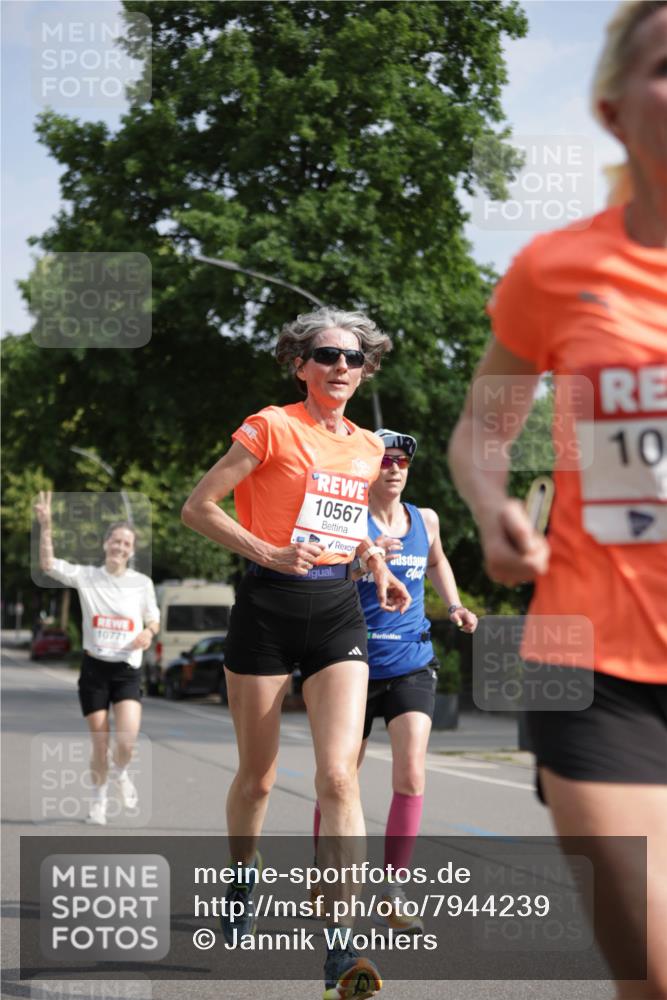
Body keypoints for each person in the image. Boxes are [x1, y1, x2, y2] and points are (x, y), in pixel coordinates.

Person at [448, 3, 667, 996]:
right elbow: (482, 432)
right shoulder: (554, 269)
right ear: (614, 108)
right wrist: (494, 504)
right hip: (593, 661)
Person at [181, 307, 411, 1000]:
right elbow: (199, 507)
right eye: (326, 355)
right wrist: (269, 551)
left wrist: (378, 566)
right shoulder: (270, 425)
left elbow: (357, 523)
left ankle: (341, 949)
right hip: (266, 610)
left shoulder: (371, 446)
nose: (341, 366)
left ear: (365, 369)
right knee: (256, 778)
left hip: (338, 608)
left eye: (353, 358)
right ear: (300, 364)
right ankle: (242, 871)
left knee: (339, 779)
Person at [312, 428, 477, 932]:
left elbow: (436, 560)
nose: (395, 468)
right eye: (385, 460)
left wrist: (453, 605)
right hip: (352, 663)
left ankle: (393, 886)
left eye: (403, 461)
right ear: (369, 467)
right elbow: (318, 575)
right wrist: (366, 561)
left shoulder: (425, 519)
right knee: (341, 780)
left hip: (411, 660)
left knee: (411, 773)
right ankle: (326, 877)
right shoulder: (349, 520)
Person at [34, 491, 160, 826]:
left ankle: (120, 773)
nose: (120, 547)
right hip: (94, 670)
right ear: (106, 544)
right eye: (115, 541)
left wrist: (149, 633)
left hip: (127, 670)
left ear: (132, 551)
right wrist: (46, 526)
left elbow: (153, 619)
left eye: (126, 544)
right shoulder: (87, 577)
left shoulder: (141, 583)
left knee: (127, 738)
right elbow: (48, 565)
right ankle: (99, 802)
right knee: (100, 741)